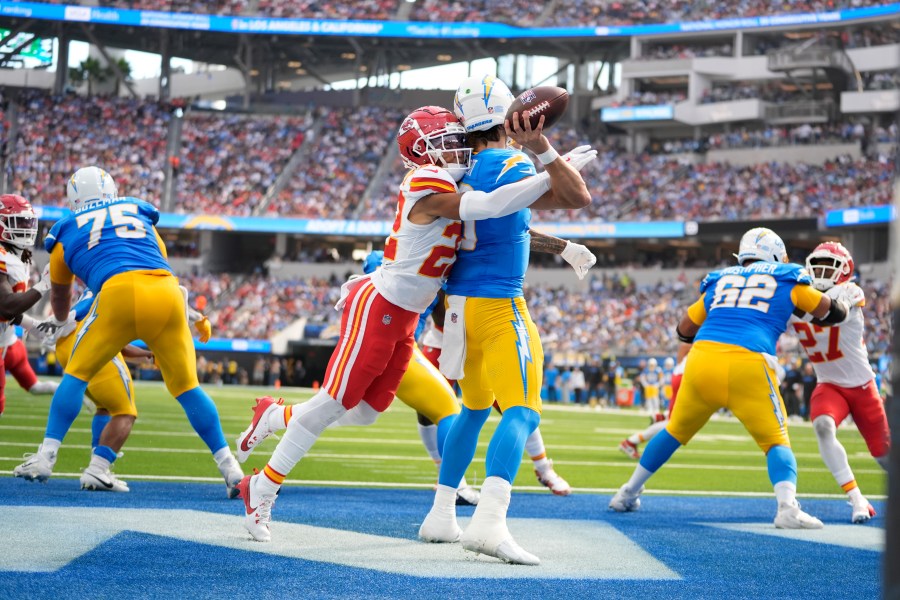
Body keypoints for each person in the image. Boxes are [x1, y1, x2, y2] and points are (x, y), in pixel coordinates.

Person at [233, 105, 597, 543]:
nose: (456, 148)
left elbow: (502, 223)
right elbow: (487, 204)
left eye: (457, 139)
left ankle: (275, 415)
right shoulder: (425, 181)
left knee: (366, 413)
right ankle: (263, 486)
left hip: (407, 315)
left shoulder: (454, 180)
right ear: (422, 151)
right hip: (380, 304)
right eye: (444, 143)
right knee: (331, 403)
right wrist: (550, 169)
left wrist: (561, 246)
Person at [419, 75, 594, 566]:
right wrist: (542, 146)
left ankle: (440, 514)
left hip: (458, 310)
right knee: (522, 410)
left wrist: (558, 246)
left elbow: (509, 217)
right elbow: (575, 196)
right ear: (506, 115)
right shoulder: (512, 161)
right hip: (499, 306)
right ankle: (490, 523)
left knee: (473, 411)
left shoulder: (460, 170)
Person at [12, 166, 244, 497]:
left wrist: (62, 319)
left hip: (117, 293)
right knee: (188, 387)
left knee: (76, 377)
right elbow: (161, 265)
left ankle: (46, 458)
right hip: (165, 293)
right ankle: (231, 470)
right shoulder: (137, 210)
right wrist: (191, 315)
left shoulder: (65, 232)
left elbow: (61, 296)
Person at [609, 227, 851, 529]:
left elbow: (684, 328)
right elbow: (832, 313)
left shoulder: (720, 279)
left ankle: (627, 493)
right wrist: (845, 300)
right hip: (748, 362)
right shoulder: (788, 276)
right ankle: (787, 507)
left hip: (702, 360)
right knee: (776, 441)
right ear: (776, 254)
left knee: (673, 432)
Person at [419, 288, 572, 496]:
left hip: (482, 338)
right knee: (430, 409)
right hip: (442, 341)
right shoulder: (442, 263)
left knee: (514, 405)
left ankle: (543, 467)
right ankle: (445, 474)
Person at [791, 242, 889, 523]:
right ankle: (857, 498)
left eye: (828, 266)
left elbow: (830, 315)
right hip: (829, 384)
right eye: (817, 265)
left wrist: (791, 301)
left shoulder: (850, 290)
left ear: (845, 271)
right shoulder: (799, 295)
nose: (821, 272)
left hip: (862, 387)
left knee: (884, 456)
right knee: (822, 427)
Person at [0, 194, 56, 416]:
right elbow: (5, 306)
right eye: (19, 222)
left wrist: (37, 328)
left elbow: (9, 315)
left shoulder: (15, 255)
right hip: (5, 343)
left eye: (27, 222)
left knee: (34, 387)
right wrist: (44, 285)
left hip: (9, 342)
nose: (26, 228)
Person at [619, 345, 690, 460]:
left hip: (684, 373)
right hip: (686, 374)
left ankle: (663, 416)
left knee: (677, 421)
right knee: (676, 423)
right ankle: (632, 441)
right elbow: (685, 345)